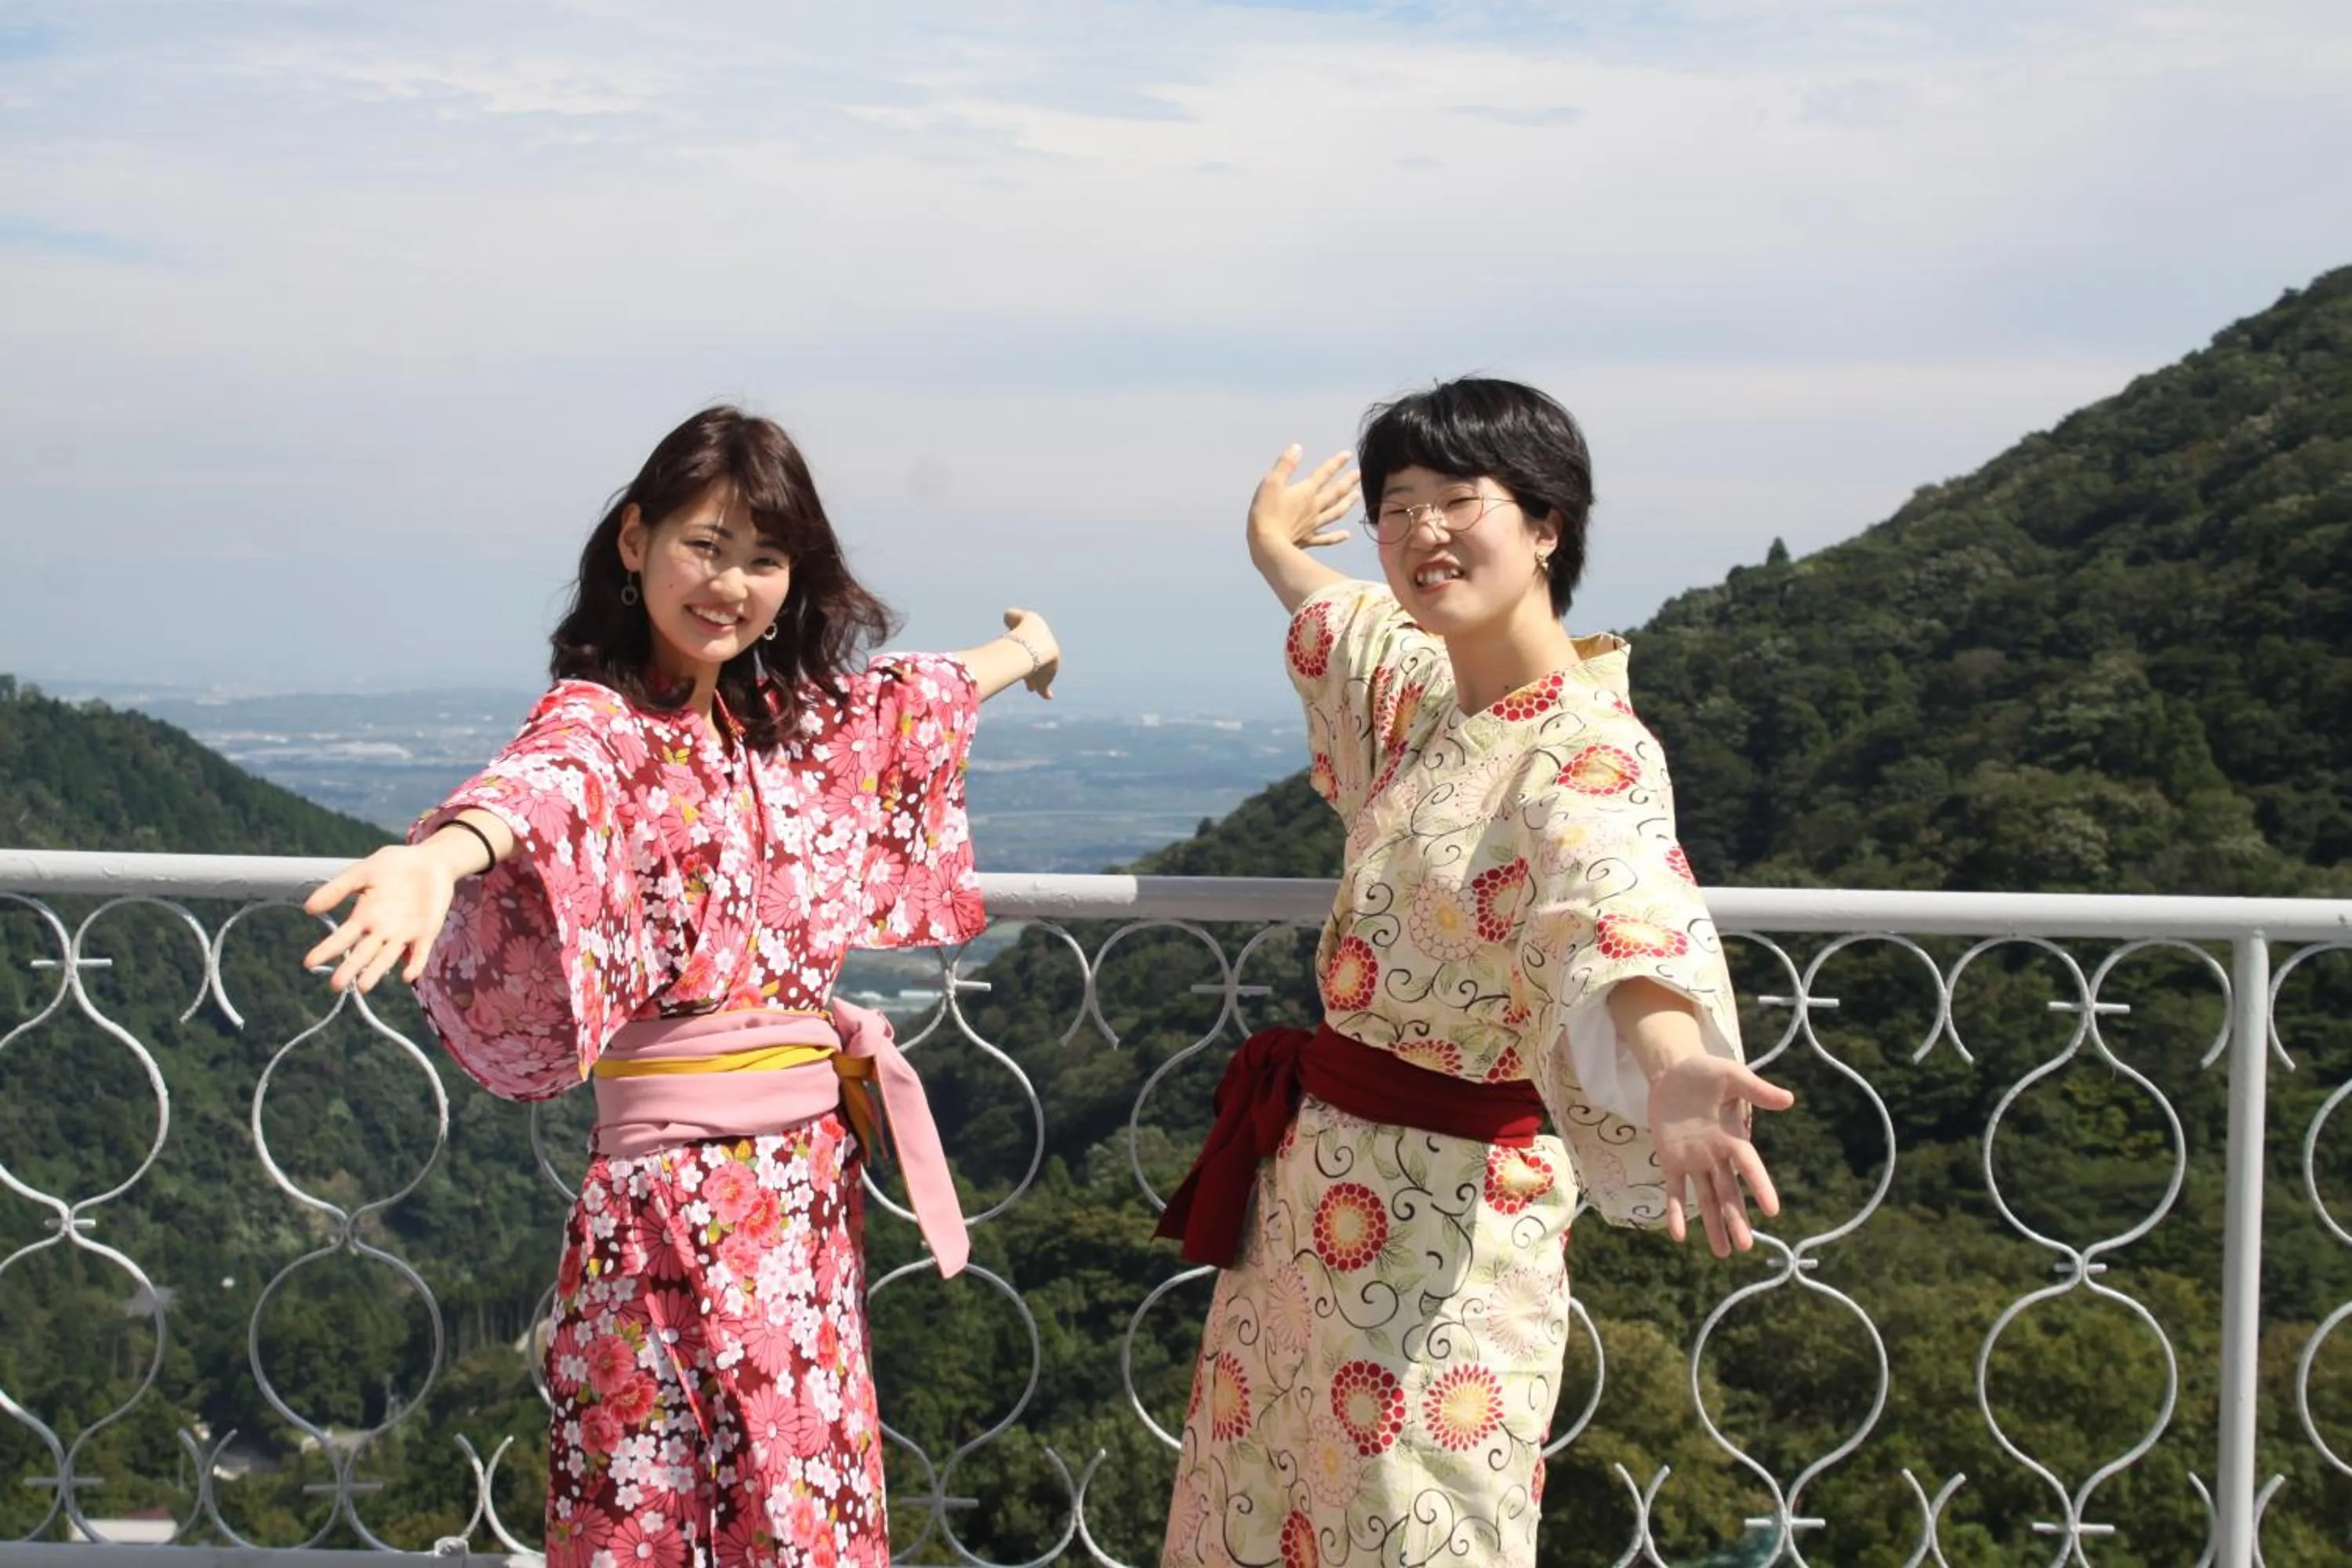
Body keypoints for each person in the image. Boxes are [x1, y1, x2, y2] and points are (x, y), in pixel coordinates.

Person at [301, 406, 1059, 1568]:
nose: (731, 584)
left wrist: (1026, 649)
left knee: (800, 1508)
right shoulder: (603, 723)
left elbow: (913, 694)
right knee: (647, 1517)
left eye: (764, 559)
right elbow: (537, 789)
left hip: (803, 1196)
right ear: (635, 542)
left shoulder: (783, 723)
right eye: (705, 545)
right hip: (669, 1203)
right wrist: (434, 857)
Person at [1154, 378, 1794, 1567]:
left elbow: (1616, 908)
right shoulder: (1424, 693)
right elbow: (1340, 610)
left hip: (1450, 1232)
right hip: (1308, 1206)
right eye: (1397, 509)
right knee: (1263, 1505)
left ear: (1548, 525)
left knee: (1424, 1521)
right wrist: (1269, 542)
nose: (1420, 535)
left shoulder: (1588, 748)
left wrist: (1672, 1065)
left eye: (1458, 501)